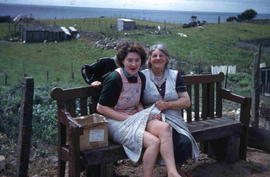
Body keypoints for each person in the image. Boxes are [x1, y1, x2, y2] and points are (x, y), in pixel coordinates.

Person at [97, 41, 183, 177]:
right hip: (115, 121)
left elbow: (137, 102)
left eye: (137, 60)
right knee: (153, 142)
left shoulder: (140, 77)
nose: (134, 64)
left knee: (165, 128)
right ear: (122, 61)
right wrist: (128, 118)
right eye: (129, 60)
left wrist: (146, 114)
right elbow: (101, 108)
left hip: (134, 116)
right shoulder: (115, 78)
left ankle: (172, 172)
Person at [142, 44, 200, 175]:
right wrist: (150, 114)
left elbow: (186, 101)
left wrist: (167, 105)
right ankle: (173, 171)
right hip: (150, 119)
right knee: (162, 136)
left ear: (167, 59)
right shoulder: (142, 76)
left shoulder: (175, 75)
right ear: (149, 59)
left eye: (161, 55)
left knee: (184, 142)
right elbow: (136, 102)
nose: (157, 58)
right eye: (154, 55)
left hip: (173, 118)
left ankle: (173, 169)